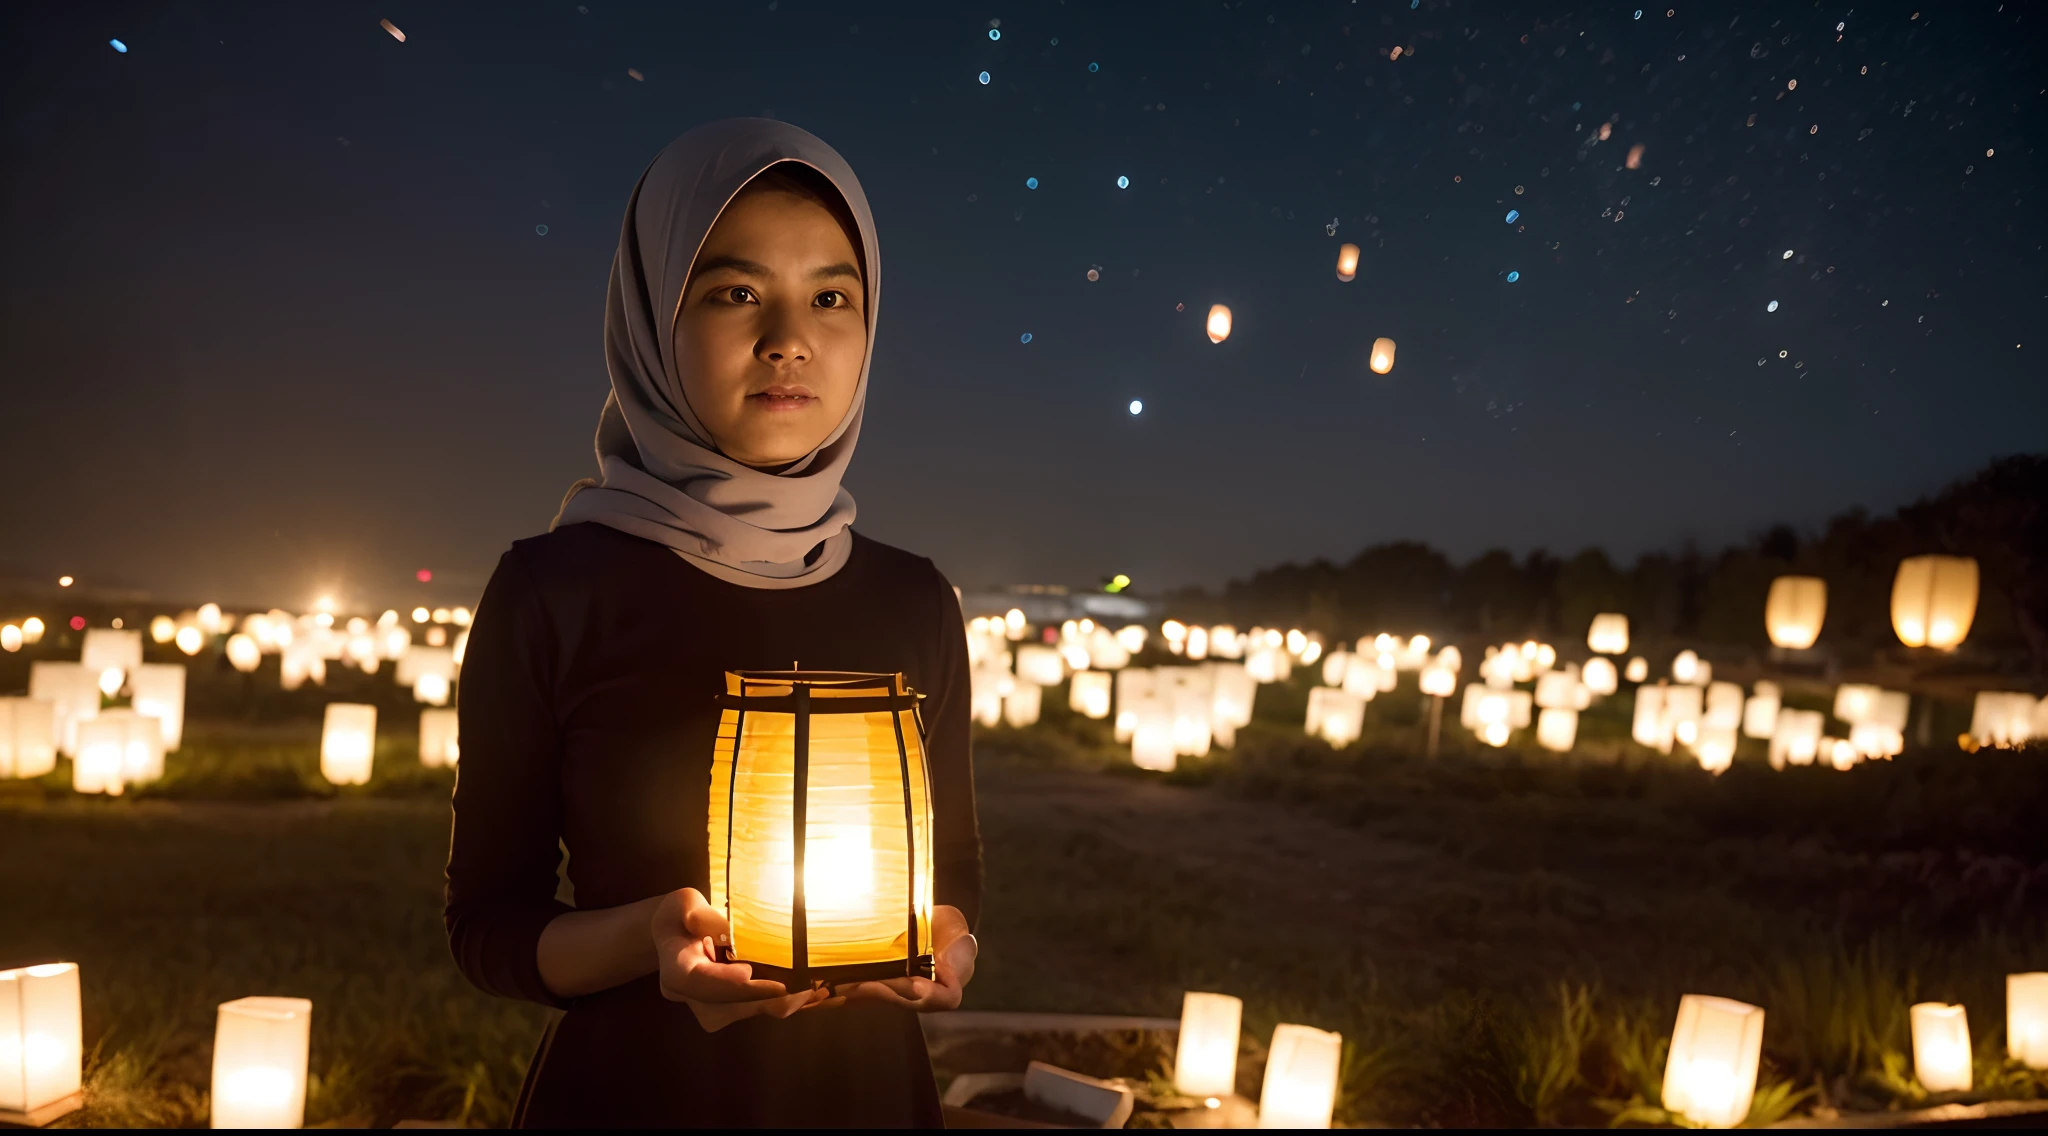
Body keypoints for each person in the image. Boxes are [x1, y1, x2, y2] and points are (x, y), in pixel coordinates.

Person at [444, 118, 982, 1128]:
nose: (789, 337)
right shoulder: (554, 593)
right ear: (651, 316)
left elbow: (953, 878)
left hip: (865, 1097)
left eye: (831, 296)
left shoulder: (914, 601)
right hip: (635, 1094)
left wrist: (945, 944)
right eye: (735, 292)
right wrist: (650, 935)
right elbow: (488, 924)